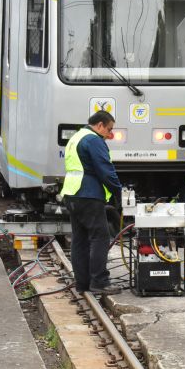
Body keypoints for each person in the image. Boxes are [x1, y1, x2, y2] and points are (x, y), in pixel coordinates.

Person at [59, 111, 124, 295]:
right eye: (109, 130)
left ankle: (83, 283)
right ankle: (100, 282)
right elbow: (105, 169)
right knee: (100, 237)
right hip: (88, 195)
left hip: (71, 194)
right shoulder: (94, 140)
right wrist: (119, 191)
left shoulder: (77, 137)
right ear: (100, 125)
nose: (110, 135)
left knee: (79, 240)